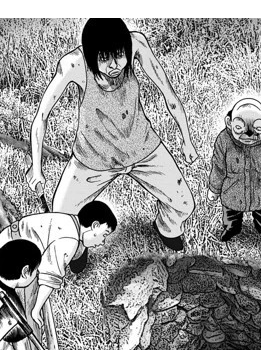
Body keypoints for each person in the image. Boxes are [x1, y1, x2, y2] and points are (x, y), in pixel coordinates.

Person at [27, 17, 198, 257]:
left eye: (119, 55)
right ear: (91, 56)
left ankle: (166, 228)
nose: (114, 65)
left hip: (142, 148)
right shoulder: (74, 65)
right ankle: (78, 251)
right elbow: (41, 117)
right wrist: (36, 169)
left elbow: (169, 95)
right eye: (104, 58)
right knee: (62, 218)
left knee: (184, 204)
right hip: (93, 158)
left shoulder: (137, 44)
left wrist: (187, 141)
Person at [0, 200, 116, 350]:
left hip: (15, 254)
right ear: (95, 225)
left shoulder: (70, 224)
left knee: (26, 312)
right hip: (10, 258)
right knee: (27, 315)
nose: (102, 242)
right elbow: (49, 276)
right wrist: (36, 309)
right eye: (104, 234)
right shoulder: (69, 238)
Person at [207, 97, 261, 244]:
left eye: (258, 129)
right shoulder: (224, 139)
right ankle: (232, 228)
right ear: (229, 123)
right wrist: (214, 189)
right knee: (231, 214)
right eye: (239, 128)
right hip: (233, 190)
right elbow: (219, 167)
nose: (249, 134)